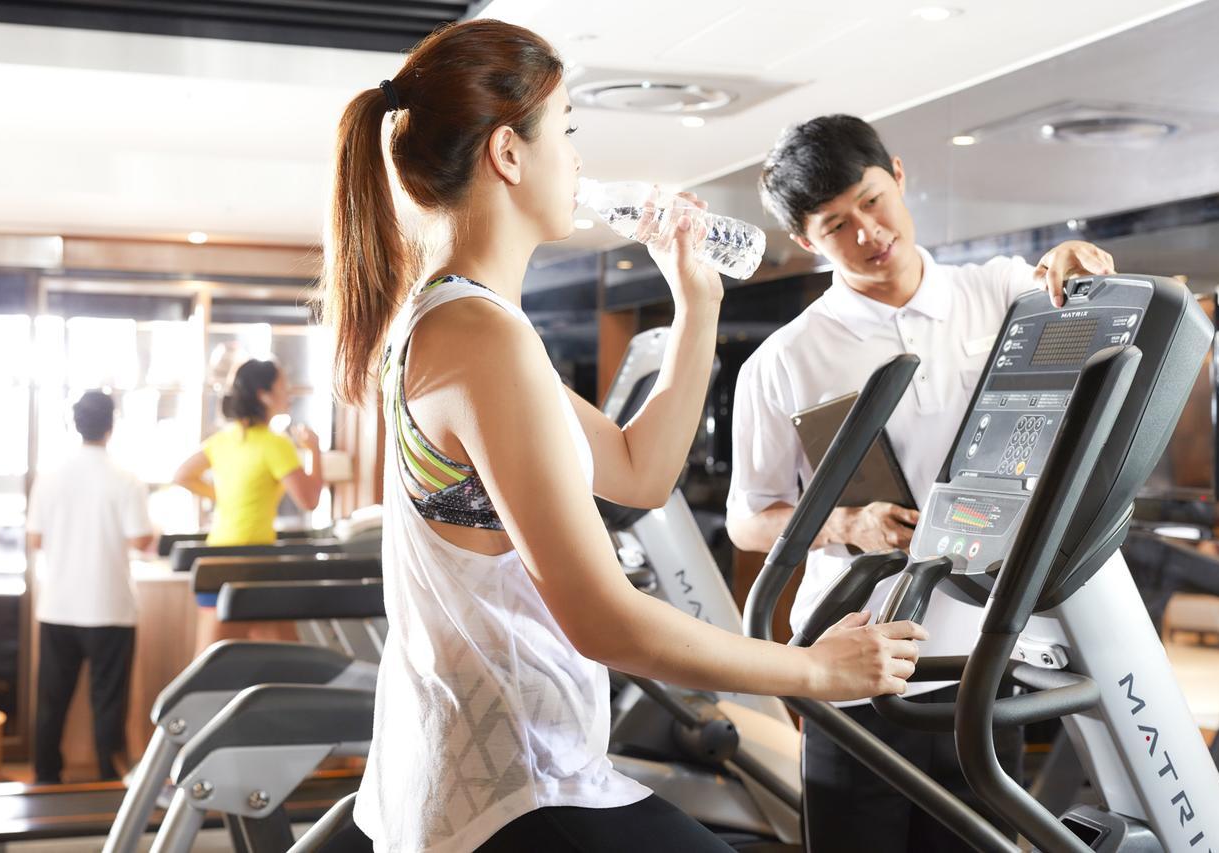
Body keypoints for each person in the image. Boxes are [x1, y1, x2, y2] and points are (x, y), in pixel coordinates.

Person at [319, 19, 928, 853]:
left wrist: (697, 303)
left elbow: (640, 473)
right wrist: (815, 670)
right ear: (508, 153)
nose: (575, 161)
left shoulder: (461, 319)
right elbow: (602, 619)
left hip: (497, 773)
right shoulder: (481, 338)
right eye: (566, 132)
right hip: (516, 789)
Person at [726, 113, 1117, 852]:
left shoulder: (1003, 291)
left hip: (981, 658)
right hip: (856, 665)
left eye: (873, 201)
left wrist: (1076, 261)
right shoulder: (783, 361)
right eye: (837, 224)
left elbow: (1083, 302)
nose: (868, 232)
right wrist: (846, 523)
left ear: (899, 177)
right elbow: (749, 521)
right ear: (808, 242)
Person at [27, 390, 153, 783]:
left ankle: (45, 778)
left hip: (59, 605)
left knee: (51, 701)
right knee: (108, 704)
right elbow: (141, 540)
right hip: (110, 607)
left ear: (76, 425)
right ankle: (106, 781)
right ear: (110, 426)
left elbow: (34, 539)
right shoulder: (126, 478)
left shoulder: (49, 477)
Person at [172, 359, 324, 647]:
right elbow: (310, 500)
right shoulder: (276, 444)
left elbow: (182, 475)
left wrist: (222, 495)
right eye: (283, 386)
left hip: (217, 559)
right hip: (253, 562)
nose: (289, 392)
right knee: (287, 660)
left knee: (212, 665)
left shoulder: (223, 440)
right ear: (263, 395)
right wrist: (314, 450)